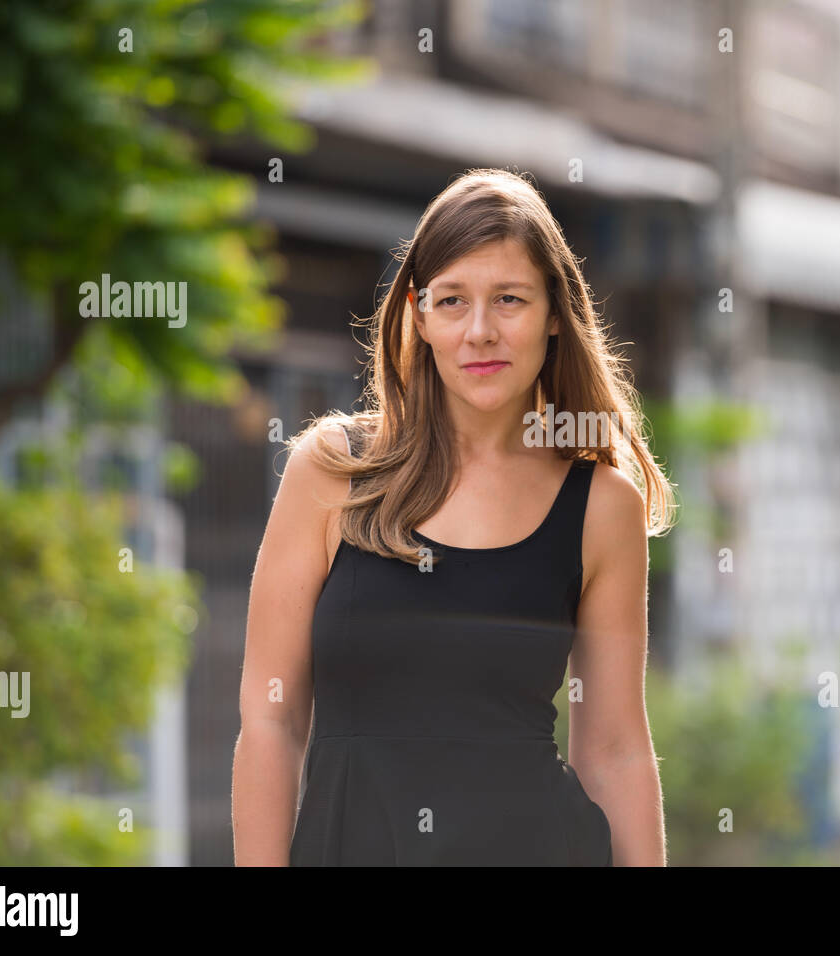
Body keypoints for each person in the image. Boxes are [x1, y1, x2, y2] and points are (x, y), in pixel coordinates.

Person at [231, 168, 675, 866]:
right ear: (418, 314)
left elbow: (616, 750)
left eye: (509, 300)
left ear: (554, 314)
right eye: (452, 301)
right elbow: (270, 718)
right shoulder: (335, 471)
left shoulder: (600, 505)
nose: (479, 331)